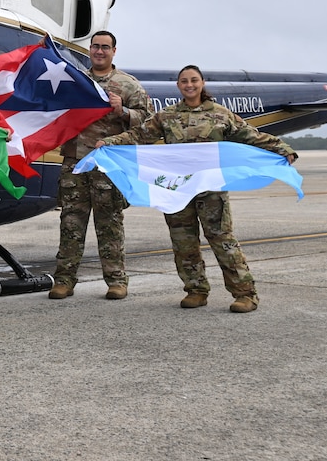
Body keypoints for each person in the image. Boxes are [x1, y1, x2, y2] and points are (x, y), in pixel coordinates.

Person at [97, 64, 297, 313]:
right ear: (179, 86)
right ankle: (196, 290)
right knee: (184, 242)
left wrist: (281, 148)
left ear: (202, 83)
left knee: (222, 241)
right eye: (184, 81)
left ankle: (245, 294)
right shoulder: (167, 115)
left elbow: (250, 135)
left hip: (211, 191)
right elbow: (139, 135)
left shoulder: (220, 114)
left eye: (194, 80)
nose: (189, 85)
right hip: (178, 190)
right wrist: (109, 142)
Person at [50, 30, 151, 301]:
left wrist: (123, 111)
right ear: (90, 50)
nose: (99, 51)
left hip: (108, 165)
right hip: (75, 163)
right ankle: (64, 280)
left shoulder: (128, 85)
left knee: (110, 224)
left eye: (105, 47)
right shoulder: (77, 80)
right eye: (95, 46)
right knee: (71, 223)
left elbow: (148, 122)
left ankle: (116, 281)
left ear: (114, 51)